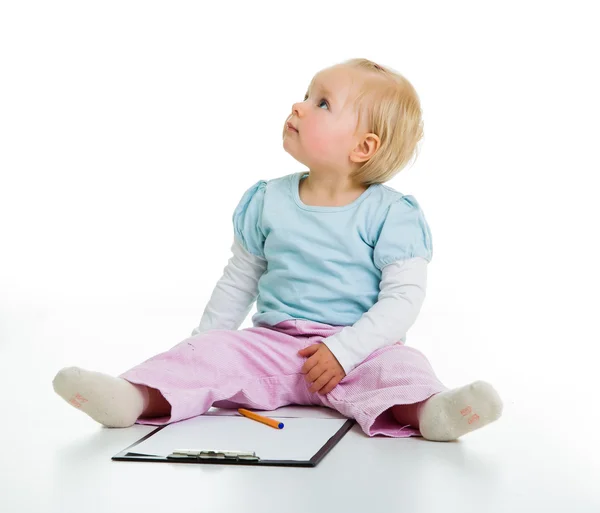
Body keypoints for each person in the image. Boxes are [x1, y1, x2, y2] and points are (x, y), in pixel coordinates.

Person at [53, 58, 503, 442]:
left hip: (359, 351)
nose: (298, 106)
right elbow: (238, 281)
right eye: (306, 95)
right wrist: (201, 346)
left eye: (322, 103)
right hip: (273, 343)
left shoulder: (392, 214)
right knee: (206, 355)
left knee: (403, 366)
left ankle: (433, 412)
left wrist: (344, 350)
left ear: (364, 147)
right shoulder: (267, 199)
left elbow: (402, 301)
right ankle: (134, 396)